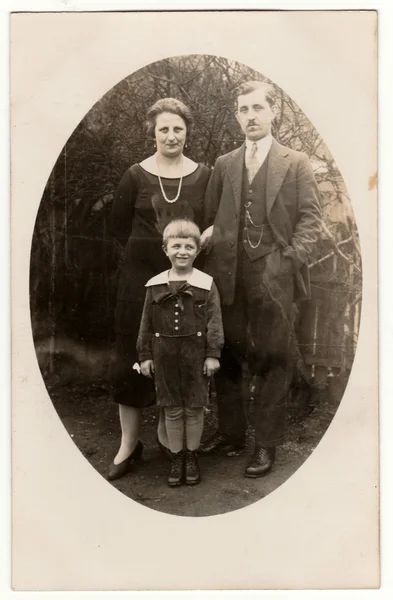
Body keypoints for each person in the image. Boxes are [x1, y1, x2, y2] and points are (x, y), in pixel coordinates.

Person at [200, 80, 322, 477]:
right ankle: (232, 434)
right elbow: (213, 217)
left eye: (257, 108)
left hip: (274, 275)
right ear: (237, 116)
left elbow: (311, 219)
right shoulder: (224, 164)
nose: (250, 116)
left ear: (271, 112)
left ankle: (265, 445)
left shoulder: (296, 161)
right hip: (229, 275)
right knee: (228, 353)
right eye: (243, 110)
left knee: (273, 358)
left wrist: (286, 262)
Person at [108, 98, 211, 481]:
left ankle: (173, 441)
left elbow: (211, 227)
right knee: (130, 360)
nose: (171, 136)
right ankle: (129, 445)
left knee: (182, 356)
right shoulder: (134, 175)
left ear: (187, 132)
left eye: (178, 129)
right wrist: (146, 261)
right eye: (164, 129)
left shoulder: (203, 175)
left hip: (186, 284)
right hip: (138, 286)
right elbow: (119, 227)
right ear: (153, 133)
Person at [137, 220, 223, 486]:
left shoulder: (206, 284)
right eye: (176, 246)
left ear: (197, 250)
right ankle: (176, 457)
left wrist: (212, 354)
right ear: (165, 249)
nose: (182, 251)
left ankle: (191, 456)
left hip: (195, 356)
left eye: (189, 246)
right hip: (164, 356)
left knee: (195, 408)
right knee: (172, 409)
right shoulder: (155, 285)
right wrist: (145, 355)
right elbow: (146, 323)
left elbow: (214, 321)